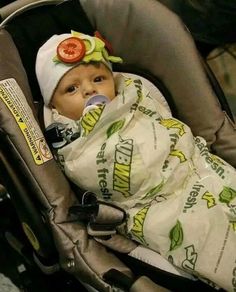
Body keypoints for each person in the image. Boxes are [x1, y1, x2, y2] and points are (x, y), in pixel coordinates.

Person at [36, 31, 236, 291]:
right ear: (55, 106)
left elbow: (170, 125)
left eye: (98, 78)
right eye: (71, 89)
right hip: (152, 206)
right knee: (209, 240)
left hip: (196, 169)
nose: (89, 90)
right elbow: (88, 172)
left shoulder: (136, 95)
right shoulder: (70, 143)